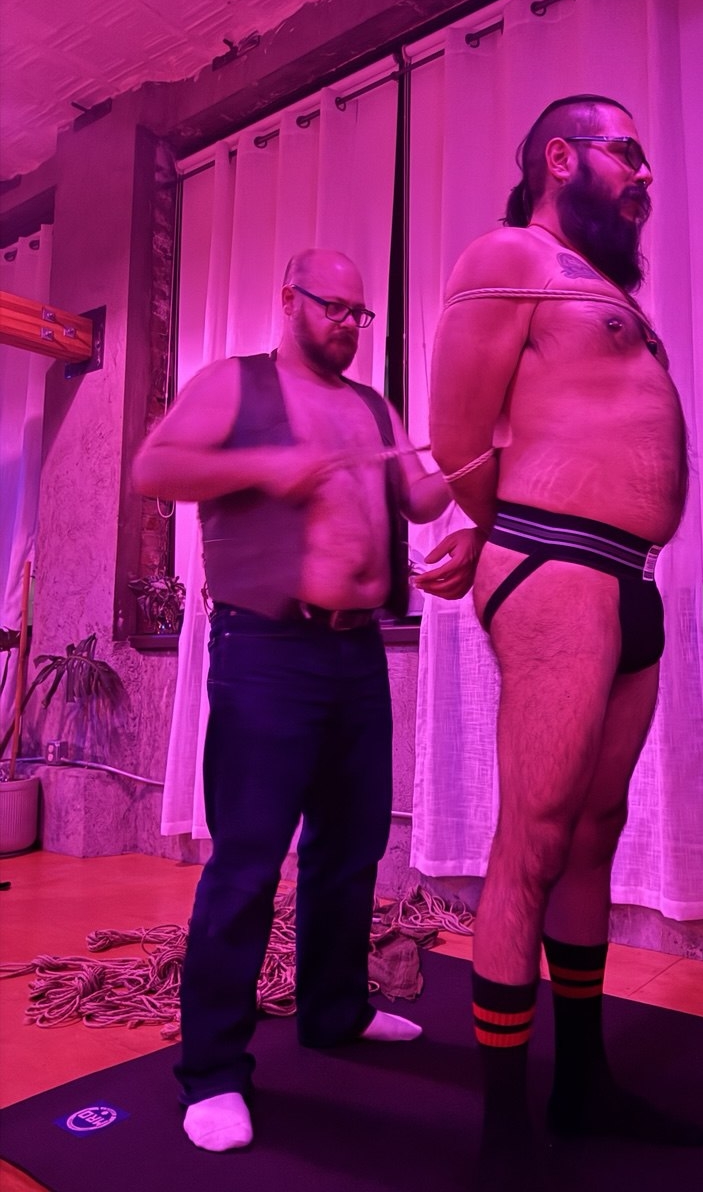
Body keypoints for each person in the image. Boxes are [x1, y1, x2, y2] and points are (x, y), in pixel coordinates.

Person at [133, 248, 478, 1153]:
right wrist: (263, 463)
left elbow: (419, 497)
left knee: (350, 847)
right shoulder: (235, 384)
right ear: (289, 298)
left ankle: (333, 1010)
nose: (350, 326)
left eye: (361, 315)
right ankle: (212, 1073)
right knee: (248, 862)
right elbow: (153, 468)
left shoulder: (371, 407)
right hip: (266, 649)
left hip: (356, 651)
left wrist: (483, 449)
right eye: (335, 309)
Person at [428, 96, 703, 1183]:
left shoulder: (605, 289)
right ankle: (503, 1138)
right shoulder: (508, 256)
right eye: (627, 151)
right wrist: (496, 532)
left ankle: (582, 1083)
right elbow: (457, 435)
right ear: (561, 156)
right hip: (556, 565)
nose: (644, 173)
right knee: (533, 839)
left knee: (595, 832)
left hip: (630, 576)